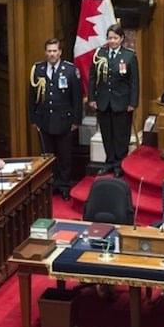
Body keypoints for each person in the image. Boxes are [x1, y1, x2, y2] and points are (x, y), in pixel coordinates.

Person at [28, 38, 82, 200]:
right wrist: (33, 119)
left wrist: (76, 121)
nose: (52, 54)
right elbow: (32, 97)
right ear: (45, 52)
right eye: (49, 51)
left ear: (60, 52)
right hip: (44, 120)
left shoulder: (70, 70)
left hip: (64, 121)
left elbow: (77, 98)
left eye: (54, 51)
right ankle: (51, 185)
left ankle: (64, 186)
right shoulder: (37, 70)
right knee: (48, 156)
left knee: (65, 156)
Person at [88, 24, 139, 178]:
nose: (112, 41)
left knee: (120, 135)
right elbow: (92, 78)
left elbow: (134, 82)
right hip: (103, 101)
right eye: (110, 38)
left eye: (115, 38)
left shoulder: (129, 56)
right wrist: (92, 98)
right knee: (107, 134)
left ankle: (119, 164)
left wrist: (133, 102)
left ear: (121, 38)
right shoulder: (100, 54)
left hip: (122, 103)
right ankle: (109, 162)